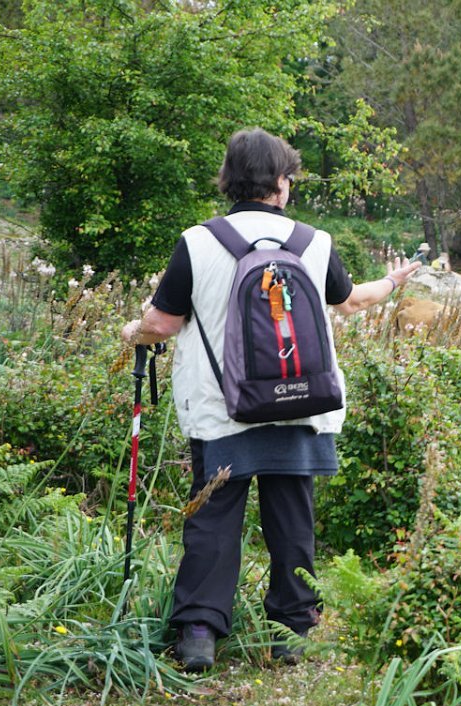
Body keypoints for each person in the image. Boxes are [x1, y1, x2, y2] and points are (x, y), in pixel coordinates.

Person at [119, 128, 421, 672]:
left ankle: (199, 633)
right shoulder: (314, 242)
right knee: (291, 516)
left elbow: (160, 324)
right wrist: (393, 281)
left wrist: (130, 332)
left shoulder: (198, 242)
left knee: (213, 516)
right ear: (280, 183)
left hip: (222, 409)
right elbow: (352, 302)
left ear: (229, 180)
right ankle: (293, 630)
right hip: (301, 402)